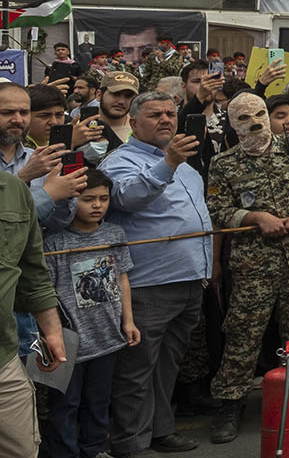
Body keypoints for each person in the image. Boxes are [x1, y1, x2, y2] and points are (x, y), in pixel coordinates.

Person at [204, 92, 289, 442]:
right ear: (232, 124)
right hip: (253, 268)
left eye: (260, 114)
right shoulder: (224, 164)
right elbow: (215, 210)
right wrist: (254, 217)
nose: (256, 122)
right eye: (244, 118)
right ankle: (230, 404)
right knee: (243, 335)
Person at [96, 89, 212, 456]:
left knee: (167, 365)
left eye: (169, 113)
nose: (165, 119)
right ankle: (130, 442)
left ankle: (160, 430)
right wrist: (169, 164)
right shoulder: (120, 161)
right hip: (147, 285)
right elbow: (127, 197)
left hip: (190, 280)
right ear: (132, 122)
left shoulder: (185, 164)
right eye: (155, 114)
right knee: (136, 369)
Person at [43, 169, 142, 458]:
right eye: (88, 199)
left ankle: (94, 449)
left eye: (103, 199)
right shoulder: (54, 242)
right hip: (68, 341)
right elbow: (45, 292)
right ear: (70, 200)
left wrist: (128, 320)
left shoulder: (114, 234)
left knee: (99, 400)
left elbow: (122, 277)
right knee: (65, 403)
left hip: (106, 335)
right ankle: (65, 452)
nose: (97, 205)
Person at [1, 165, 64, 458]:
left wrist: (51, 331)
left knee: (23, 450)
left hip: (5, 360)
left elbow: (32, 271)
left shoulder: (14, 191)